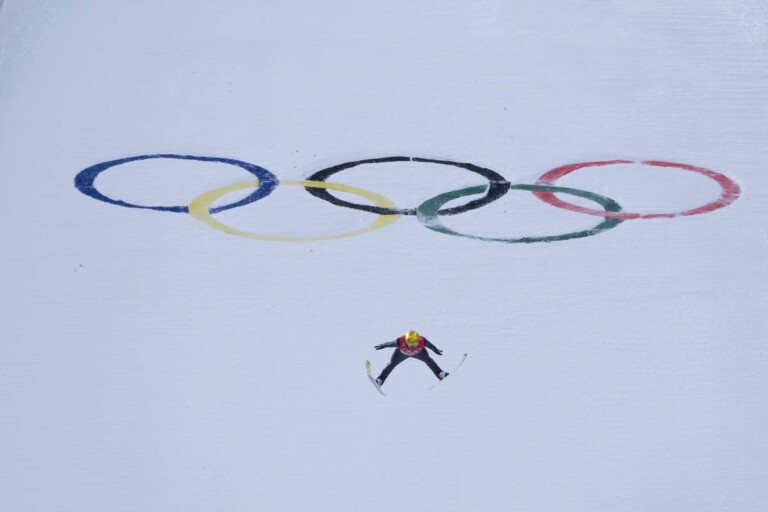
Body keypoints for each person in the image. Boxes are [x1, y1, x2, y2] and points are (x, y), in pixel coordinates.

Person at [374, 330, 448, 386]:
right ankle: (380, 380)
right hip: (401, 354)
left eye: (415, 343)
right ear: (406, 340)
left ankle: (440, 375)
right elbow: (390, 344)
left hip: (419, 353)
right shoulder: (400, 341)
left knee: (429, 360)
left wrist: (436, 350)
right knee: (391, 364)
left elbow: (431, 346)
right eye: (410, 343)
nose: (412, 346)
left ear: (418, 341)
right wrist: (382, 345)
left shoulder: (422, 341)